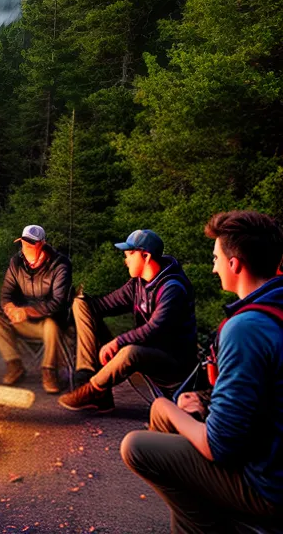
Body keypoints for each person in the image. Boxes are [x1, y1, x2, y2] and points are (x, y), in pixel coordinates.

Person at [121, 211, 283, 533]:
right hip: (270, 451)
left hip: (268, 487)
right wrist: (207, 401)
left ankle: (206, 526)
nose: (213, 267)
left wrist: (168, 404)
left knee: (137, 445)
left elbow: (218, 446)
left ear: (235, 264)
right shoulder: (274, 308)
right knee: (167, 414)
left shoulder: (246, 328)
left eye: (216, 258)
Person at [60, 229, 196, 413]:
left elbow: (155, 329)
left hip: (173, 362)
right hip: (148, 350)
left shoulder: (172, 288)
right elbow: (102, 306)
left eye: (130, 254)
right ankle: (87, 375)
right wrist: (76, 303)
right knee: (81, 303)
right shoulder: (137, 284)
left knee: (130, 352)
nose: (126, 260)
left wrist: (118, 342)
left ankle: (92, 391)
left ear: (146, 256)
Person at [0, 224, 72, 393]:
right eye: (24, 242)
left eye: (31, 244)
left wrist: (27, 311)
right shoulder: (16, 262)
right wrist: (10, 308)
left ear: (42, 244)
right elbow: (6, 294)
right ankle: (14, 364)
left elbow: (58, 302)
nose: (26, 247)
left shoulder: (60, 265)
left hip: (48, 324)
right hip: (21, 321)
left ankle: (49, 370)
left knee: (51, 325)